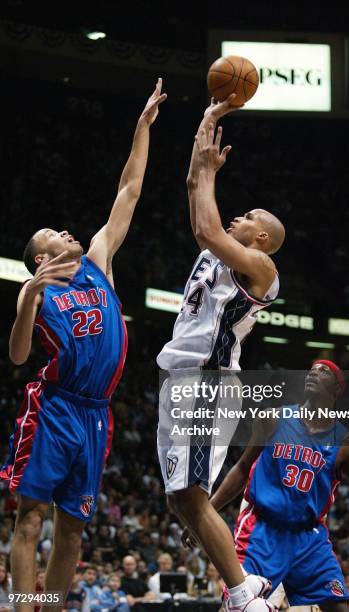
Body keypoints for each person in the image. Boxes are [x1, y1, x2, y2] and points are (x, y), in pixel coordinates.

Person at [0, 79, 167, 612]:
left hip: (97, 414)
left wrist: (141, 129)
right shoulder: (38, 293)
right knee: (29, 518)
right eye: (55, 232)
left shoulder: (98, 262)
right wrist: (27, 299)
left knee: (72, 530)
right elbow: (19, 357)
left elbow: (129, 192)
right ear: (38, 256)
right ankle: (24, 606)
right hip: (54, 408)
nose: (68, 232)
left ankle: (50, 609)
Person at [157, 94, 285, 612]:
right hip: (181, 377)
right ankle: (248, 586)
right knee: (178, 497)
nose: (239, 213)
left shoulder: (261, 269)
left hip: (209, 382)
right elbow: (194, 188)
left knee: (188, 493)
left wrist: (209, 170)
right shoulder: (219, 252)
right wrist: (205, 130)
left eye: (250, 214)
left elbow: (205, 225)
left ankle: (241, 595)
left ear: (259, 237)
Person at [183, 360, 349, 611]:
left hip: (308, 537)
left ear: (336, 389)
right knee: (238, 605)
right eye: (312, 369)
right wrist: (204, 514)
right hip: (262, 531)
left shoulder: (347, 444)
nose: (313, 372)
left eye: (324, 371)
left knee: (339, 606)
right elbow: (242, 469)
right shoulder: (274, 419)